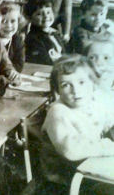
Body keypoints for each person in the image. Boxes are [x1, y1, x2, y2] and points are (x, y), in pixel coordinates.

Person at [41, 55, 114, 183]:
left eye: (81, 82)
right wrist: (107, 147)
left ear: (93, 82)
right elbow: (71, 150)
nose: (76, 90)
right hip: (61, 181)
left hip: (88, 172)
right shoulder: (58, 112)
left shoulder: (93, 102)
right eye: (66, 85)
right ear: (57, 89)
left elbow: (109, 123)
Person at [25, 0, 65, 65]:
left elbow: (64, 53)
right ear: (30, 18)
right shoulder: (33, 38)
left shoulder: (55, 34)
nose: (46, 16)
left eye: (48, 12)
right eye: (39, 14)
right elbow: (44, 61)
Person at [0, 4, 25, 72]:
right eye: (3, 21)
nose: (9, 25)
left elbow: (19, 65)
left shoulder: (17, 40)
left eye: (13, 21)